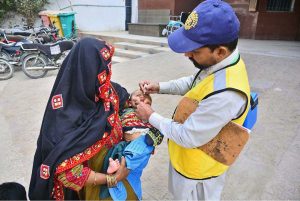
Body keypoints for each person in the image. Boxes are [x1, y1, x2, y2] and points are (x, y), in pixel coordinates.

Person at [136, 0, 251, 200]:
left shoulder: (227, 95)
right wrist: (160, 87)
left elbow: (187, 136)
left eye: (195, 51)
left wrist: (150, 116)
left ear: (220, 51)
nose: (187, 54)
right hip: (188, 161)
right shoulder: (222, 64)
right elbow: (195, 82)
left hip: (199, 173)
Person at [29, 37, 136, 200]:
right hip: (91, 191)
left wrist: (131, 130)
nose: (106, 74)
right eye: (101, 69)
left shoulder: (107, 90)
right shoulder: (62, 119)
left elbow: (127, 103)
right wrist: (112, 179)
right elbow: (68, 173)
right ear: (87, 71)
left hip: (123, 173)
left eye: (107, 67)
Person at [100, 89, 163, 200]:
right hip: (128, 146)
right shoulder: (123, 113)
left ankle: (115, 174)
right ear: (129, 103)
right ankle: (117, 178)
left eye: (146, 99)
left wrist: (154, 139)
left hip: (144, 143)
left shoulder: (150, 117)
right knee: (129, 171)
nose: (142, 97)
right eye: (138, 95)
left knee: (139, 152)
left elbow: (161, 130)